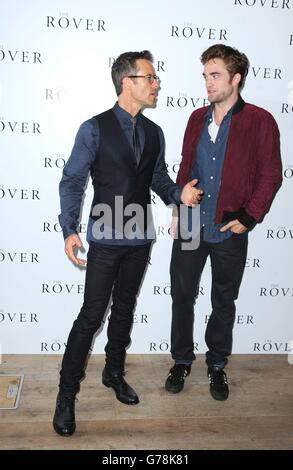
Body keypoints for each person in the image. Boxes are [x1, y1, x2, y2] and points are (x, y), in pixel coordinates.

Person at [53, 50, 200, 436]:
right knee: (91, 315)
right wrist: (70, 228)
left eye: (155, 78)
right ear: (127, 82)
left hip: (139, 234)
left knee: (125, 309)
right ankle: (66, 394)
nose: (157, 84)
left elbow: (158, 178)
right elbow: (72, 181)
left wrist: (177, 196)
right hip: (105, 233)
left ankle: (113, 372)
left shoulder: (154, 132)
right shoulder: (94, 128)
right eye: (150, 78)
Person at [165, 44, 282, 401]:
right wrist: (175, 208)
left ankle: (217, 365)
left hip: (230, 225)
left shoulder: (260, 120)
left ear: (236, 78)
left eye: (215, 75)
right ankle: (181, 360)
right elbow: (186, 166)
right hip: (189, 223)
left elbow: (271, 174)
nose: (208, 83)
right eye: (205, 76)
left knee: (223, 300)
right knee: (182, 296)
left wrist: (250, 216)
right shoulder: (196, 118)